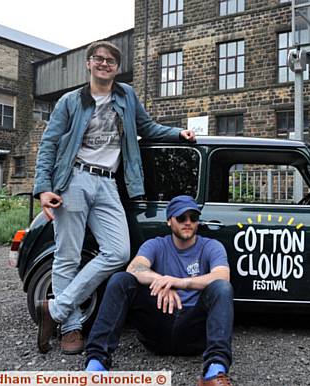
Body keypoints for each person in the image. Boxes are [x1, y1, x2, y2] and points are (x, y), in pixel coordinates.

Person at [33, 40, 196, 355]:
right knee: (67, 256)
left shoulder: (126, 96)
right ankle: (70, 329)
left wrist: (178, 133)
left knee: (119, 252)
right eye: (99, 59)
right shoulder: (70, 101)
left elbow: (146, 128)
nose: (104, 64)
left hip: (108, 183)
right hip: (74, 180)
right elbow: (49, 144)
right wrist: (43, 187)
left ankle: (54, 309)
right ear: (89, 63)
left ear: (117, 68)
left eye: (110, 60)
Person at [84, 195, 234, 386]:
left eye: (193, 218)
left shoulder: (211, 246)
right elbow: (135, 268)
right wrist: (163, 281)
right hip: (157, 327)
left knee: (221, 288)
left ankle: (214, 372)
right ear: (169, 221)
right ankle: (96, 366)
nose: (188, 223)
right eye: (181, 218)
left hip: (193, 331)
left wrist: (179, 282)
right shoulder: (155, 244)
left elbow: (222, 276)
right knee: (121, 280)